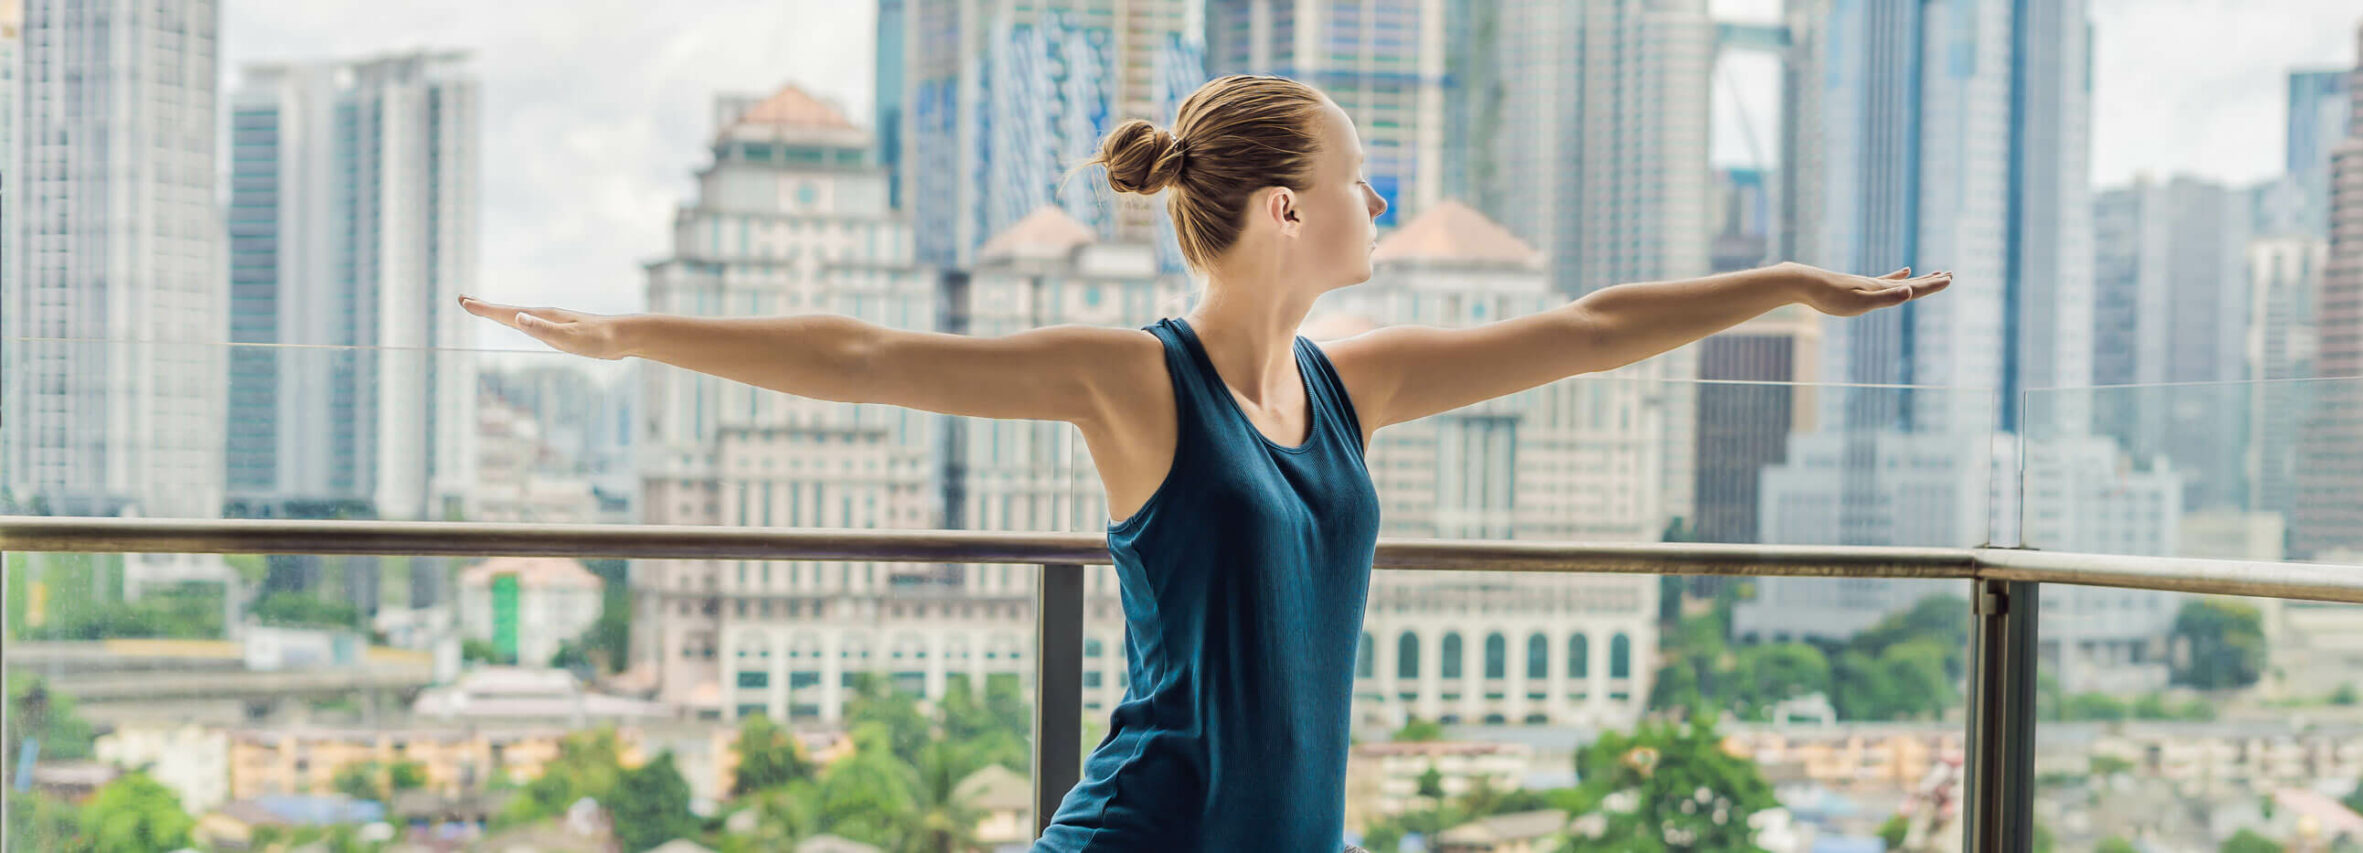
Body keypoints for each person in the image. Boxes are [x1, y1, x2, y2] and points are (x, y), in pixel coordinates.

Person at [459, 74, 1949, 852]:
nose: (1380, 195)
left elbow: (1592, 327)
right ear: (1289, 210)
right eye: (1362, 174)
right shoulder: (1135, 378)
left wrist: (1789, 286)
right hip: (1153, 831)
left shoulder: (1352, 382)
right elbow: (861, 356)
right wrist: (628, 333)